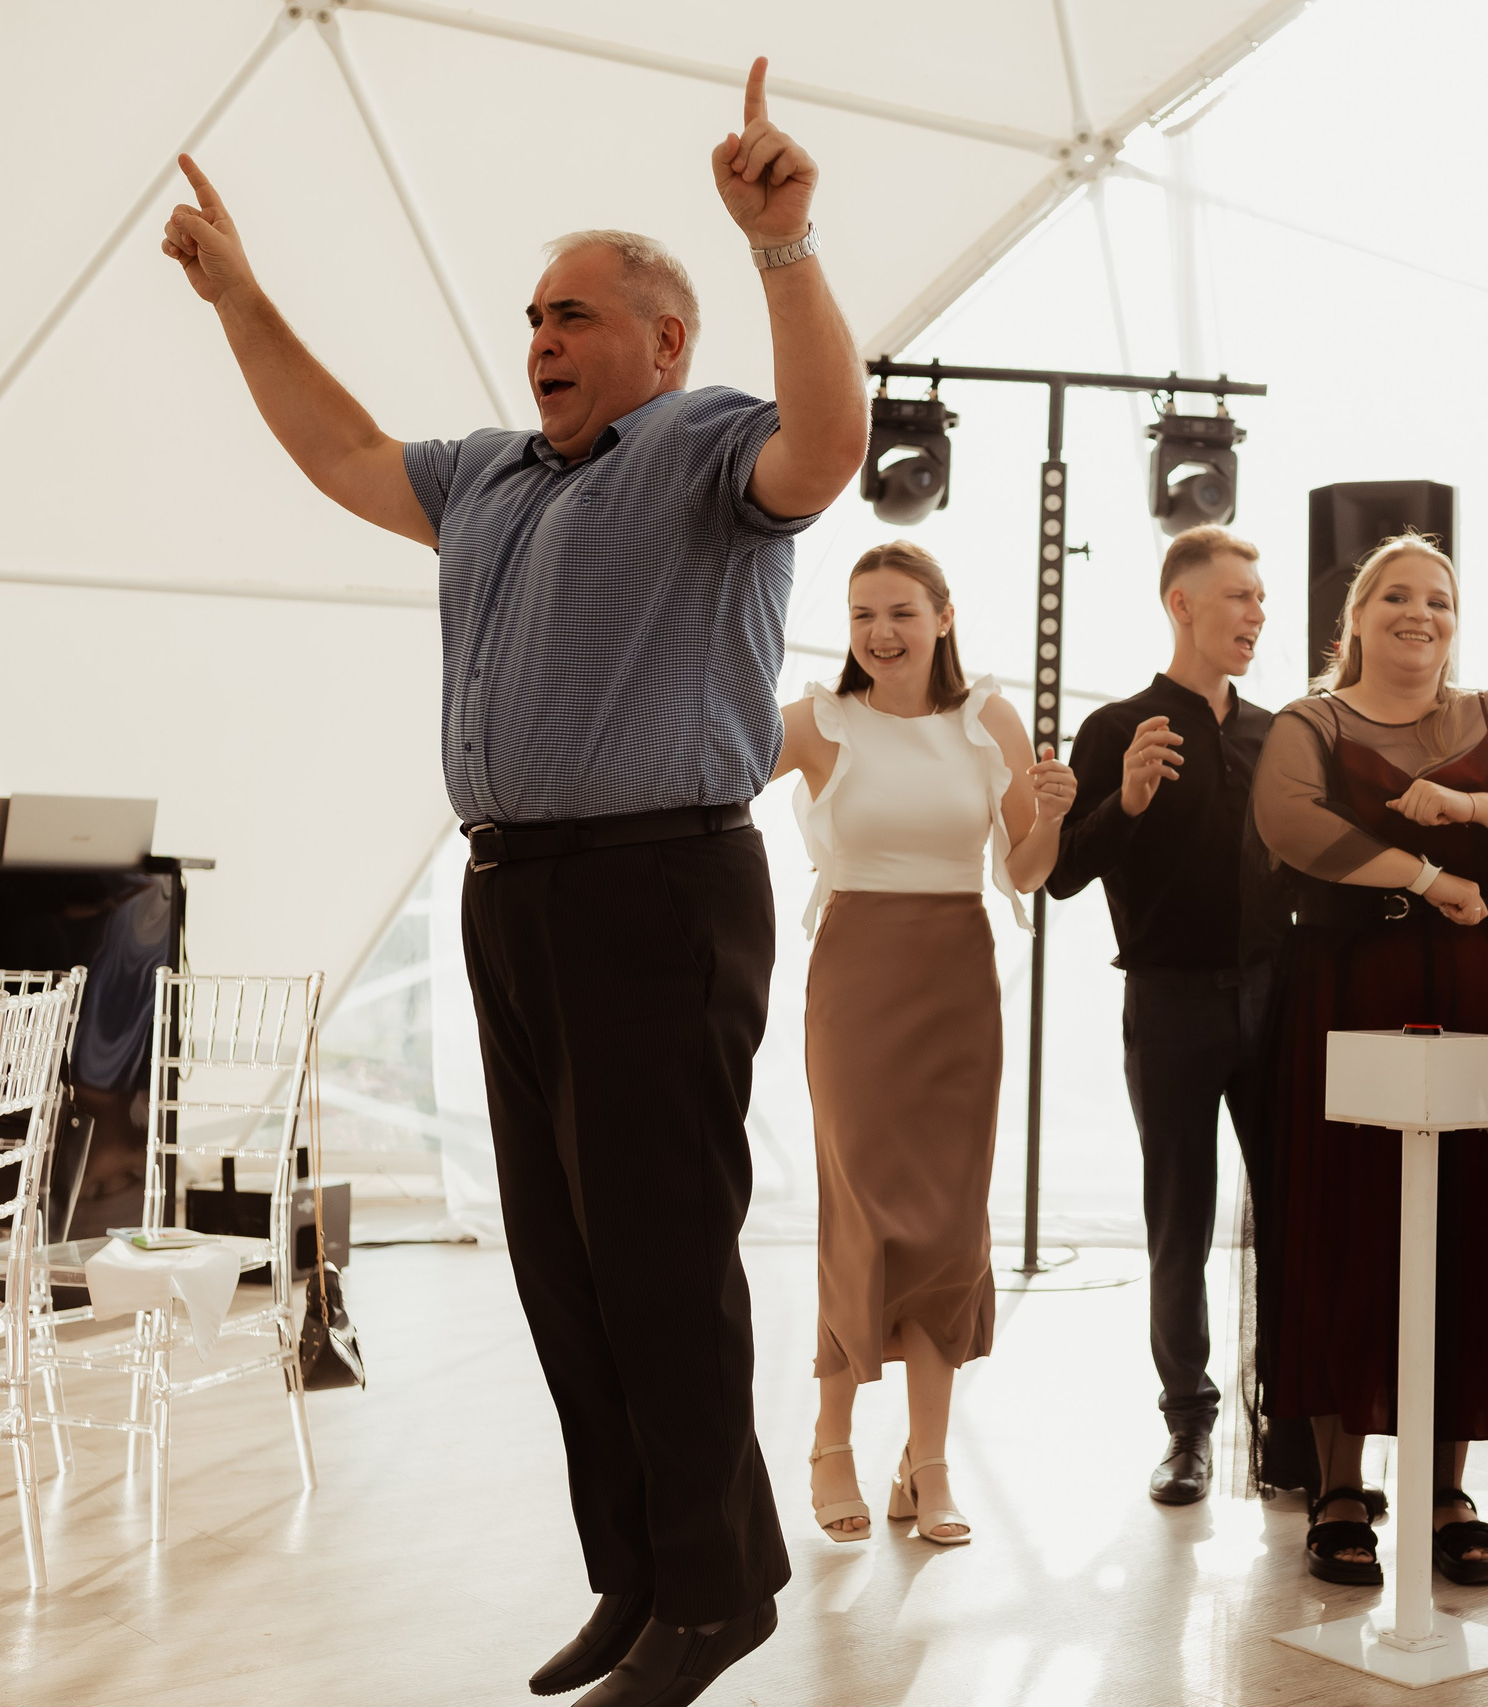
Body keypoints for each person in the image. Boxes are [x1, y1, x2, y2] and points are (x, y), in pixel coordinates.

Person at [161, 59, 867, 1707]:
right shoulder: (487, 476)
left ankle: (713, 1593)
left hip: (657, 894)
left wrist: (785, 243)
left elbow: (829, 446)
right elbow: (338, 447)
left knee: (657, 1250)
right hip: (520, 897)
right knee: (563, 1261)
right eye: (532, 314)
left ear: (663, 342)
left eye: (574, 314)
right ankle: (640, 1573)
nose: (540, 337)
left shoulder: (705, 446)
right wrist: (241, 297)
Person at [1247, 533, 1488, 1589]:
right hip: (1343, 992)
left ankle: (1446, 1490)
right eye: (1393, 596)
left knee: (1468, 1226)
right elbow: (1289, 823)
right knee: (1337, 1221)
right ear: (1351, 621)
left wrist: (1476, 809)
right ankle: (1340, 1485)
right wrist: (1428, 871)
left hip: (1476, 995)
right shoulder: (1312, 721)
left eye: (1437, 600)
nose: (1418, 613)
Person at [772, 541, 1073, 1548]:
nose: (879, 633)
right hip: (856, 976)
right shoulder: (818, 721)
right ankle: (829, 1441)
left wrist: (1059, 817)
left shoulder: (987, 720)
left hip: (956, 976)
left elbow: (1022, 873)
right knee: (859, 1205)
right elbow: (701, 768)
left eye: (899, 611)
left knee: (947, 1220)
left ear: (944, 616)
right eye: (862, 615)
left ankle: (928, 1464)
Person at [1044, 524, 1277, 1506]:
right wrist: (1127, 801)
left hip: (1276, 1004)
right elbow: (1057, 876)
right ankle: (1188, 1426)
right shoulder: (1117, 730)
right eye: (1239, 598)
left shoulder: (1280, 732)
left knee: (1292, 1220)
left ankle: (1288, 1425)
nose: (1256, 615)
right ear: (1182, 605)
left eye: (1260, 601)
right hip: (1169, 1006)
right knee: (1177, 1221)